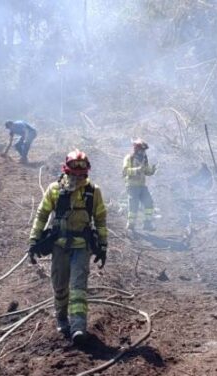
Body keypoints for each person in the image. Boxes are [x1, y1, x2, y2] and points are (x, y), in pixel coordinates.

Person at [28, 150, 108, 345]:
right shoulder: (54, 189)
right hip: (59, 246)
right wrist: (33, 240)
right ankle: (62, 318)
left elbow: (100, 219)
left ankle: (78, 326)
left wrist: (103, 245)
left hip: (82, 247)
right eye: (75, 169)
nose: (78, 174)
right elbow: (42, 215)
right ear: (67, 169)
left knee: (78, 287)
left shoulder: (93, 191)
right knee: (60, 286)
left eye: (82, 170)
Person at [123, 138, 157, 231]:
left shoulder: (144, 159)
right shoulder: (129, 158)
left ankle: (147, 224)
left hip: (142, 186)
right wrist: (137, 170)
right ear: (137, 149)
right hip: (132, 186)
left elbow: (146, 171)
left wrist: (153, 169)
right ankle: (131, 224)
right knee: (134, 205)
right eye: (142, 150)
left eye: (144, 150)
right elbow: (125, 171)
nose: (143, 152)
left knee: (149, 203)